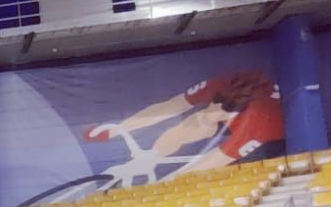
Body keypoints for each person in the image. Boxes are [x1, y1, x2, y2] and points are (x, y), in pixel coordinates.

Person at [86, 70, 283, 174]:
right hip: (238, 115)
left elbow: (212, 162)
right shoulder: (219, 84)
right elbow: (170, 107)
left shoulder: (258, 125)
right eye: (210, 106)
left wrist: (159, 188)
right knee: (193, 123)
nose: (207, 113)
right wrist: (117, 130)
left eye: (217, 112)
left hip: (278, 140)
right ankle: (152, 156)